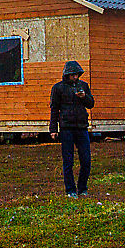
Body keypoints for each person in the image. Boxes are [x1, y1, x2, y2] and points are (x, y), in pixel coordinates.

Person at [49, 61, 95, 198]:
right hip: (66, 128)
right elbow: (54, 109)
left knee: (86, 160)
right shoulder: (58, 88)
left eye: (77, 74)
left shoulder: (84, 86)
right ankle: (70, 190)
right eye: (72, 74)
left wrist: (84, 97)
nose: (75, 77)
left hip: (82, 127)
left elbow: (91, 104)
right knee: (68, 161)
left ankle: (82, 188)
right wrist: (53, 129)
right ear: (67, 74)